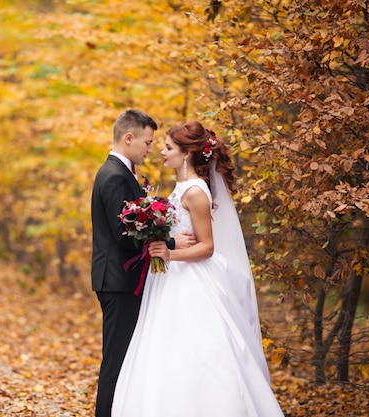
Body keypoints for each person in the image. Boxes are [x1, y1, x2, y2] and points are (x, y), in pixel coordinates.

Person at [111, 121, 285, 416]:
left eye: (168, 148)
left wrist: (169, 253)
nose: (162, 153)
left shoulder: (196, 192)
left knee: (196, 349)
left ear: (187, 154)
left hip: (190, 280)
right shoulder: (180, 187)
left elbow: (207, 247)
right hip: (168, 280)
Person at [91, 110, 195, 417]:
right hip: (119, 281)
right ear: (129, 138)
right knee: (116, 360)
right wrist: (171, 243)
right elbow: (124, 234)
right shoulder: (114, 176)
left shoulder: (121, 173)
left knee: (125, 358)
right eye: (148, 142)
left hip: (123, 279)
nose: (151, 149)